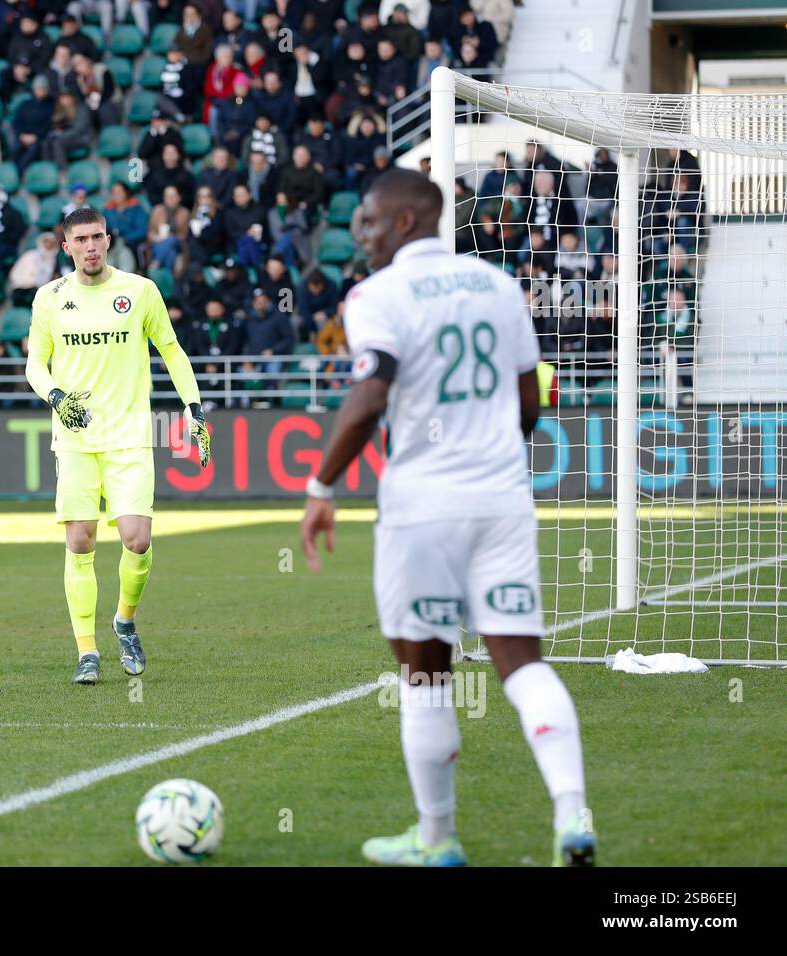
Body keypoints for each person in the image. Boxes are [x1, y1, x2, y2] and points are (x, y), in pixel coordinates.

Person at [298, 169, 595, 868]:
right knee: (521, 662)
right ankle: (573, 814)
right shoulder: (498, 286)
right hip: (501, 499)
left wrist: (321, 484)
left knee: (426, 676)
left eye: (369, 221)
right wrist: (488, 451)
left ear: (406, 222)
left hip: (423, 507)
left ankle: (437, 839)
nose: (360, 233)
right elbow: (530, 401)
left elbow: (371, 396)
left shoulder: (376, 296)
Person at [24, 206, 211, 685]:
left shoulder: (140, 291)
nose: (90, 246)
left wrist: (194, 408)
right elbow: (35, 365)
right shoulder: (49, 298)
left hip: (129, 434)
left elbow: (171, 349)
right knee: (80, 540)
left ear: (109, 241)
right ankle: (87, 652)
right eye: (80, 239)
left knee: (138, 539)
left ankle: (124, 620)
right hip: (76, 437)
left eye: (97, 237)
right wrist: (57, 396)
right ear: (65, 247)